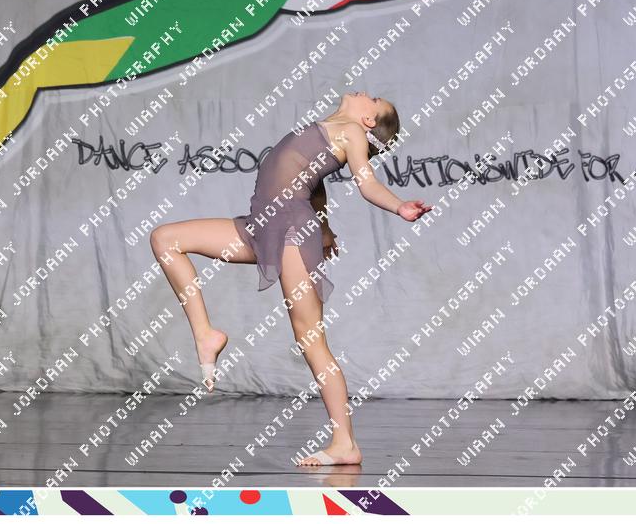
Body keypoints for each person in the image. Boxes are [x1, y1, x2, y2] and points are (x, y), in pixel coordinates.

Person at [149, 90, 432, 466]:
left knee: (311, 340)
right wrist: (326, 229)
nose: (366, 93)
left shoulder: (351, 132)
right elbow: (315, 186)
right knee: (165, 239)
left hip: (292, 233)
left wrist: (399, 206)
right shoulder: (328, 129)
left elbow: (366, 183)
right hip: (260, 226)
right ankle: (206, 334)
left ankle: (344, 443)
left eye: (375, 99)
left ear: (368, 121)